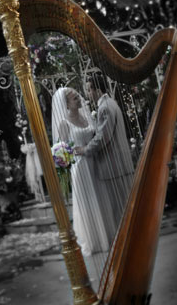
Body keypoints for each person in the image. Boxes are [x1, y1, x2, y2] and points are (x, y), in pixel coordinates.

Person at [74, 74, 134, 240]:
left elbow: (103, 137)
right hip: (120, 165)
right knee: (125, 207)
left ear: (98, 90)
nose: (87, 94)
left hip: (113, 165)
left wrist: (85, 149)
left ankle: (127, 241)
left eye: (89, 89)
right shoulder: (111, 103)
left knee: (120, 209)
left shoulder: (105, 107)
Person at [52, 87, 110, 256]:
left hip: (96, 163)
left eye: (78, 96)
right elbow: (60, 150)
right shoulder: (64, 123)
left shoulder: (87, 117)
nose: (79, 99)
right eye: (74, 98)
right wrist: (77, 151)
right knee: (88, 203)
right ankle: (93, 240)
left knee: (100, 197)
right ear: (67, 104)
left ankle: (106, 235)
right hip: (80, 169)